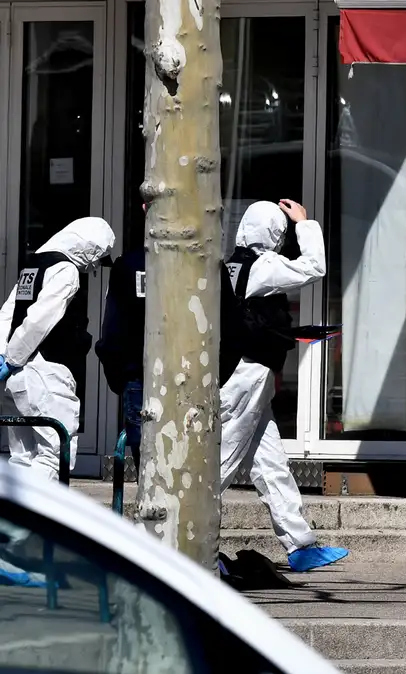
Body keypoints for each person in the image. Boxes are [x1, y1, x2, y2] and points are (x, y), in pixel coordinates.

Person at [221, 199, 347, 573]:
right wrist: (303, 223)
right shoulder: (264, 266)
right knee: (222, 459)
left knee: (271, 463)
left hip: (242, 371)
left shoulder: (231, 264)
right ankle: (186, 541)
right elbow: (314, 267)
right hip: (248, 375)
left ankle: (300, 544)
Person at [96, 205, 242, 472]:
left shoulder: (129, 265)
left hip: (142, 380)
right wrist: (214, 376)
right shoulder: (207, 263)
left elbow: (114, 333)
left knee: (149, 468)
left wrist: (122, 378)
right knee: (190, 466)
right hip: (192, 378)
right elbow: (233, 331)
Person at [0, 217, 115, 481]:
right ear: (89, 247)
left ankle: (16, 507)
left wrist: (4, 356)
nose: (95, 266)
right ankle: (37, 507)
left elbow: (8, 313)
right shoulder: (66, 271)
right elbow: (40, 319)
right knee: (54, 455)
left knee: (21, 458)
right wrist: (14, 358)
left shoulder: (34, 266)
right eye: (97, 258)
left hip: (16, 379)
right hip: (45, 374)